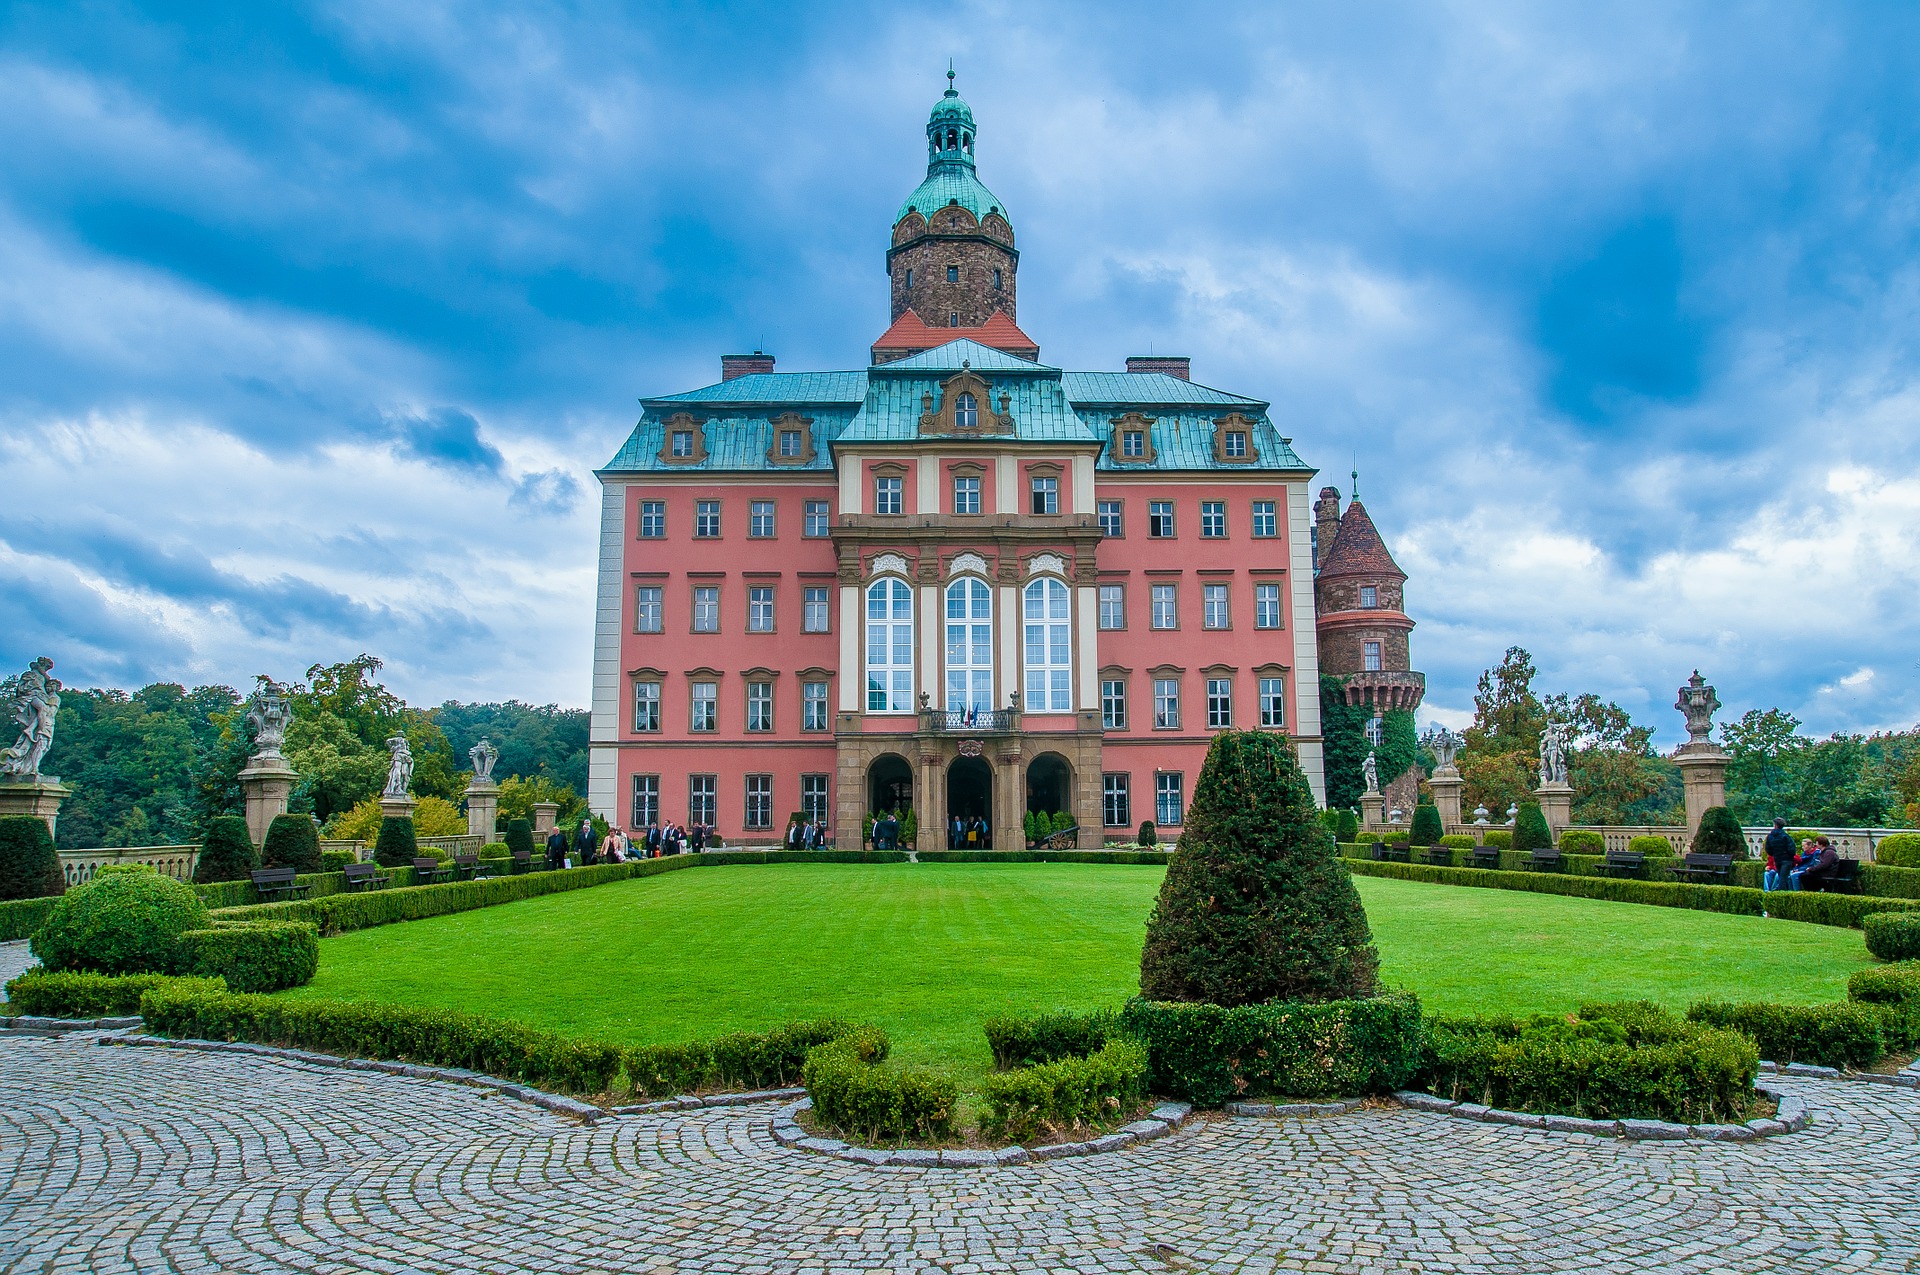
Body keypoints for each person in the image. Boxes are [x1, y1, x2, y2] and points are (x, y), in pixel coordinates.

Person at [1763, 819, 1794, 892]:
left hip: (1777, 859)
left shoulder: (1770, 836)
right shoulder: (1785, 836)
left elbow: (1768, 849)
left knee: (1781, 877)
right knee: (1783, 878)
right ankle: (1782, 894)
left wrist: (1774, 854)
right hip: (1786, 860)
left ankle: (1780, 893)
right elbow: (1792, 849)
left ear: (1775, 825)